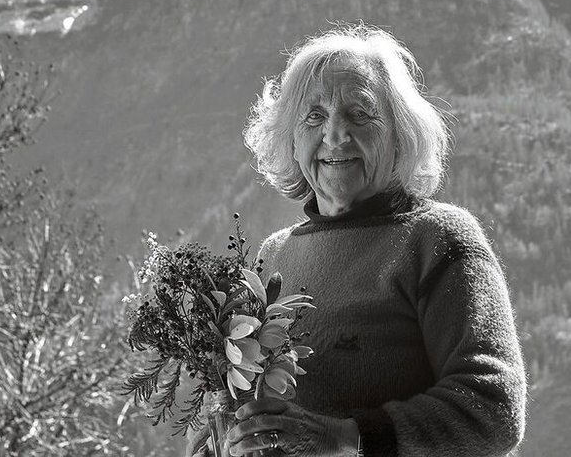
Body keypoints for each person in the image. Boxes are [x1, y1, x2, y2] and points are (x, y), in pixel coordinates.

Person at [210, 25, 526, 457]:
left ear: (400, 134)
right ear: (290, 138)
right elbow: (253, 407)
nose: (336, 134)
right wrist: (224, 438)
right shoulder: (272, 256)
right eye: (314, 116)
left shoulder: (438, 239)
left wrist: (345, 438)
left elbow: (494, 409)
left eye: (360, 114)